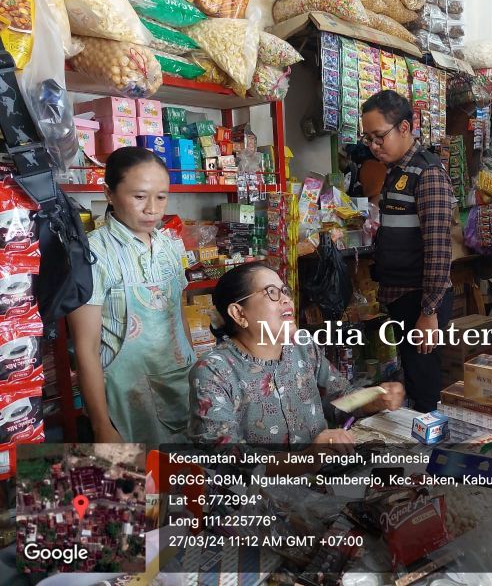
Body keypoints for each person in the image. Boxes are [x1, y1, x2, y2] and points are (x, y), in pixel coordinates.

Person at [188, 262, 405, 449]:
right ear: (239, 313)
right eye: (272, 292)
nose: (286, 300)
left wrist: (374, 399)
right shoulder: (214, 371)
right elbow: (223, 456)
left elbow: (340, 399)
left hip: (322, 480)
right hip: (263, 492)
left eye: (285, 291)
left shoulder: (302, 346)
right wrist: (307, 460)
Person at [68, 147, 194, 447]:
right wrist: (101, 426)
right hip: (126, 396)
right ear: (109, 193)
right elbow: (86, 349)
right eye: (139, 196)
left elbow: (179, 318)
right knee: (141, 487)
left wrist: (196, 372)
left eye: (161, 196)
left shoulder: (170, 246)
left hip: (180, 385)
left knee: (187, 482)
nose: (152, 208)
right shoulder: (93, 253)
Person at [361, 90, 455, 412]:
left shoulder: (427, 173)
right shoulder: (397, 171)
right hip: (400, 295)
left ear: (403, 128)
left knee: (424, 383)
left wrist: (428, 314)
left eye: (379, 137)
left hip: (421, 300)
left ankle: (428, 453)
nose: (373, 146)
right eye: (368, 139)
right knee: (412, 377)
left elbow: (439, 248)